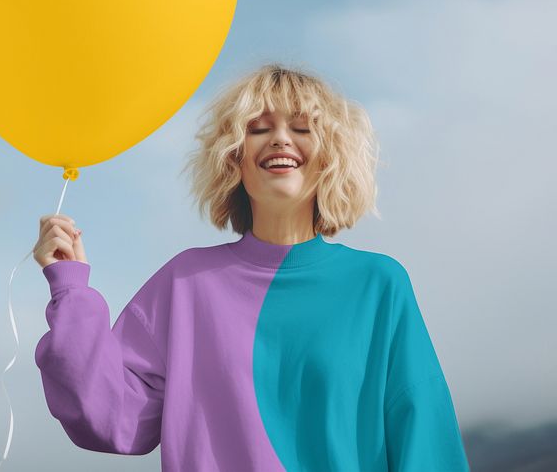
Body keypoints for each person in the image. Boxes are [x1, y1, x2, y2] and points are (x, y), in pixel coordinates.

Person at [32, 63, 471, 471]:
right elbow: (111, 418)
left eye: (302, 128)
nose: (280, 139)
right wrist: (70, 290)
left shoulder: (379, 285)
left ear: (330, 158)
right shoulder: (185, 282)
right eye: (259, 129)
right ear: (234, 158)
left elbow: (424, 435)